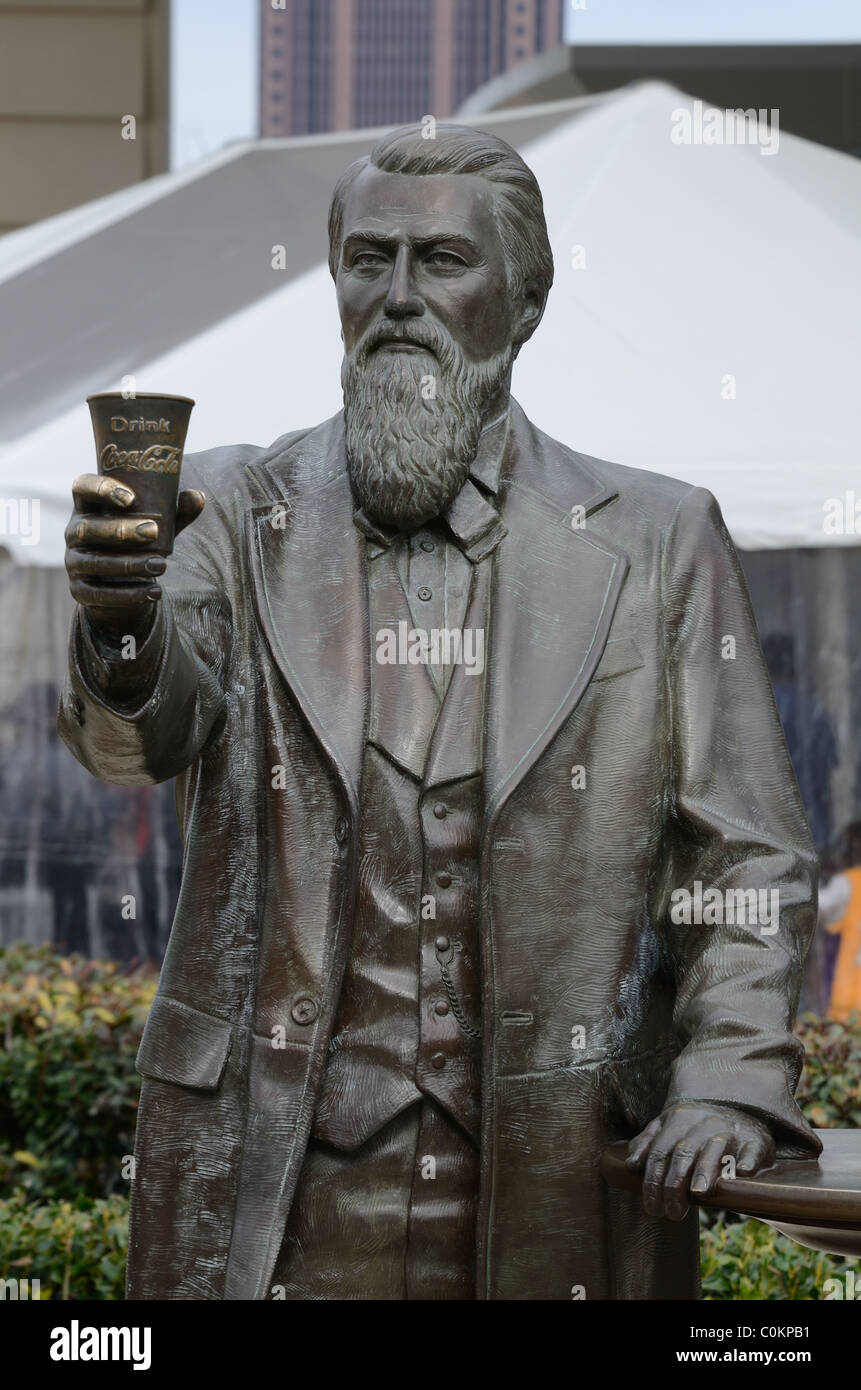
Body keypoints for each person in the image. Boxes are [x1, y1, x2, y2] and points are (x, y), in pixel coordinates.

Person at [59, 124, 820, 1301]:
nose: (398, 297)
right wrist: (119, 623)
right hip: (277, 1193)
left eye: (443, 263)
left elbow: (748, 856)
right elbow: (138, 740)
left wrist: (728, 1073)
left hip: (561, 1184)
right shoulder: (224, 513)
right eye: (369, 261)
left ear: (523, 304)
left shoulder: (657, 544)